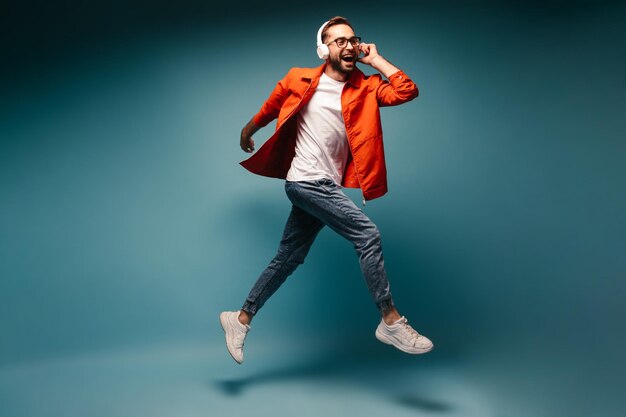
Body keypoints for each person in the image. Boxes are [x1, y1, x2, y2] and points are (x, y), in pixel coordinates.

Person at [220, 16, 433, 364]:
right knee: (367, 234)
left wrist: (376, 60)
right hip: (305, 180)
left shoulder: (366, 87)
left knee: (288, 257)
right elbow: (271, 106)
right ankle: (390, 320)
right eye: (339, 41)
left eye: (353, 40)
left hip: (324, 185)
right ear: (324, 49)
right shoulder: (298, 78)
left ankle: (240, 318)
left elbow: (407, 89)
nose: (348, 46)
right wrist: (248, 130)